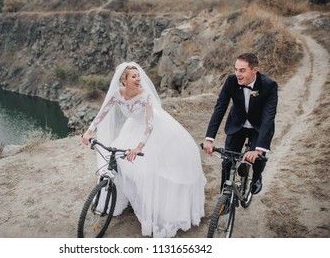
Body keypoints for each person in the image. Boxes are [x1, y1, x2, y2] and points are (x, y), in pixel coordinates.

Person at [82, 61, 206, 238]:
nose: (138, 79)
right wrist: (88, 132)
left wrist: (138, 147)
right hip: (132, 128)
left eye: (139, 76)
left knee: (149, 170)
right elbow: (102, 113)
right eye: (134, 76)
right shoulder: (117, 95)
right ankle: (121, 197)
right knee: (116, 159)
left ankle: (154, 207)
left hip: (153, 130)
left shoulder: (145, 95)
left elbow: (149, 125)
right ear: (124, 80)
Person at [202, 53, 278, 194]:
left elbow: (269, 117)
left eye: (242, 70)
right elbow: (220, 108)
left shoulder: (269, 86)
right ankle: (224, 195)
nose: (237, 74)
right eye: (236, 69)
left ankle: (256, 177)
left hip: (258, 127)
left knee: (258, 158)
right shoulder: (231, 80)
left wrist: (258, 150)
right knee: (228, 161)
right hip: (237, 124)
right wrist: (209, 139)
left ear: (254, 70)